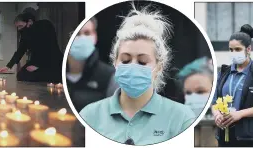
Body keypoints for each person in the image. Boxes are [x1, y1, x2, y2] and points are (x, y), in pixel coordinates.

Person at [79, 6, 195, 146]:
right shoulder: (89, 115)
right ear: (115, 63)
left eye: (142, 61)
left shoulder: (182, 118)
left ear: (159, 67)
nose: (133, 66)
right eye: (125, 60)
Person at [211, 24, 253, 147]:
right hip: (225, 135)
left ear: (248, 49)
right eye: (231, 50)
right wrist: (217, 114)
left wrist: (240, 114)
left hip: (250, 138)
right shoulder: (223, 73)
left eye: (238, 49)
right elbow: (214, 102)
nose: (234, 53)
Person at [67, 17, 119, 111]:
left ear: (95, 37)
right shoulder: (60, 71)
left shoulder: (109, 76)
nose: (82, 38)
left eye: (87, 33)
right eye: (77, 34)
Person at [0, 12, 62, 83]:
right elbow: (20, 50)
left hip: (51, 59)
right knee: (21, 75)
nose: (19, 29)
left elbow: (48, 48)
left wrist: (38, 66)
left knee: (44, 76)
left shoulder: (45, 25)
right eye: (17, 27)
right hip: (36, 59)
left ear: (30, 22)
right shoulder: (25, 34)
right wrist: (8, 66)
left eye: (20, 26)